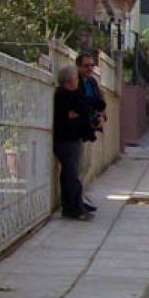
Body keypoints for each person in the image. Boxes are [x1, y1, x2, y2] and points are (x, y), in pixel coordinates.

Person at [53, 65, 94, 221]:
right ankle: (74, 208)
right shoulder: (62, 96)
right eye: (76, 78)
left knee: (70, 174)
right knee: (72, 175)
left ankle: (71, 206)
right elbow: (73, 113)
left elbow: (83, 109)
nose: (78, 81)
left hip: (72, 139)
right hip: (66, 140)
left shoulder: (73, 95)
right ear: (70, 80)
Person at [75, 52, 105, 212]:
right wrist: (94, 104)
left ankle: (83, 195)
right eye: (86, 66)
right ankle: (78, 199)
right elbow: (81, 102)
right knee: (80, 165)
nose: (90, 69)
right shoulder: (76, 82)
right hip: (80, 128)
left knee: (87, 165)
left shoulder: (92, 82)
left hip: (92, 126)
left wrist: (101, 116)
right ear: (79, 66)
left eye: (92, 65)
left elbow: (101, 102)